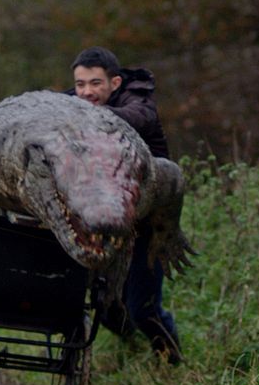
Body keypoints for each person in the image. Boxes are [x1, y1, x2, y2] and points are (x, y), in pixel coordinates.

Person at [67, 46, 181, 364]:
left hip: (148, 224)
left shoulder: (138, 102)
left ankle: (172, 363)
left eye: (95, 84)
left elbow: (137, 118)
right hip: (106, 221)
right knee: (105, 306)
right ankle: (131, 354)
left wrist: (82, 116)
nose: (86, 92)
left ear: (114, 83)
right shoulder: (74, 102)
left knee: (143, 308)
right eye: (80, 85)